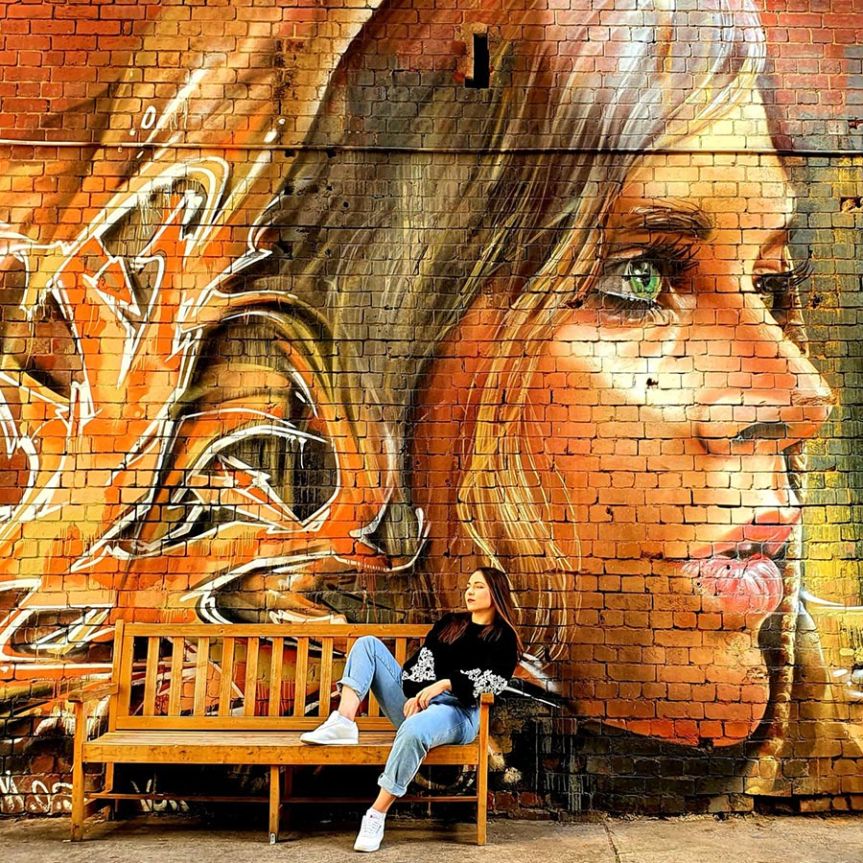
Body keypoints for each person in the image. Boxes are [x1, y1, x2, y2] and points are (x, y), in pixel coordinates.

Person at [299, 567, 522, 851]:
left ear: (496, 592)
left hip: (459, 713)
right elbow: (419, 665)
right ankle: (344, 721)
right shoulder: (450, 624)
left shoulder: (502, 638)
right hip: (417, 705)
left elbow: (492, 681)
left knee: (416, 729)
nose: (469, 591)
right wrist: (418, 695)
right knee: (367, 644)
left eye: (478, 586)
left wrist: (444, 685)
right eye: (468, 585)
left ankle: (376, 813)